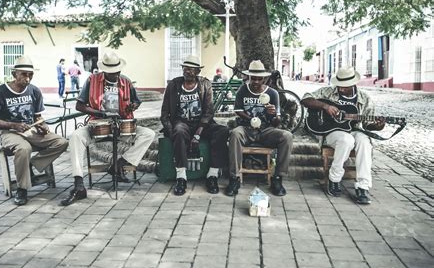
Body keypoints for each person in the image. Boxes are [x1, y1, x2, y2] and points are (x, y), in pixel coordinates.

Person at [61, 52, 155, 206]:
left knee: (148, 134)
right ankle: (78, 185)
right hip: (98, 125)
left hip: (123, 126)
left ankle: (119, 165)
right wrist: (99, 112)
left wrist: (134, 106)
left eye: (117, 72)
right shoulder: (92, 80)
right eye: (111, 73)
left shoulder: (126, 81)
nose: (115, 75)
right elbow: (79, 105)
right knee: (76, 136)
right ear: (104, 71)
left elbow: (137, 101)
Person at [0, 56, 68, 205]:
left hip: (30, 130)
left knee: (61, 142)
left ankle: (31, 164)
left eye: (30, 75)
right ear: (14, 74)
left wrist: (42, 126)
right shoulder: (0, 92)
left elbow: (37, 116)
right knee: (24, 148)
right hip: (8, 132)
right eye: (24, 74)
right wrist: (12, 125)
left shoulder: (34, 91)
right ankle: (22, 189)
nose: (27, 78)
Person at [300, 66, 385, 204]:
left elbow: (368, 124)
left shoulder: (364, 98)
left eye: (344, 86)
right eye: (339, 86)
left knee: (364, 141)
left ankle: (363, 186)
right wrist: (325, 107)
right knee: (347, 140)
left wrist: (378, 126)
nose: (340, 89)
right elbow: (305, 99)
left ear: (353, 84)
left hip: (355, 129)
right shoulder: (328, 92)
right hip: (333, 132)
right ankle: (334, 179)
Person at [161, 55, 229, 196]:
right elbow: (164, 112)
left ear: (198, 71)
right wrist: (170, 130)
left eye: (191, 69)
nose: (187, 71)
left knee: (222, 131)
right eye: (185, 68)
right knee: (178, 131)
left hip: (202, 124)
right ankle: (181, 177)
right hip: (181, 123)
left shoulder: (205, 84)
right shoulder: (173, 85)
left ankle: (212, 175)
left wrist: (198, 134)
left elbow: (209, 112)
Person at [226, 60, 293, 197]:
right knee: (235, 134)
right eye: (253, 78)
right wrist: (250, 119)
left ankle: (278, 178)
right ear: (248, 77)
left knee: (287, 136)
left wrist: (274, 114)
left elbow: (276, 123)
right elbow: (238, 110)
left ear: (264, 78)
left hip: (266, 130)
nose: (256, 81)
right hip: (246, 128)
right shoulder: (242, 90)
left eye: (259, 79)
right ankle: (234, 178)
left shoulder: (273, 94)